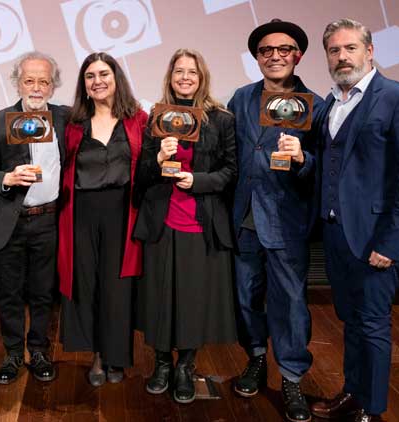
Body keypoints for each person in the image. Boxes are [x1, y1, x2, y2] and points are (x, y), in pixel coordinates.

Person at [310, 19, 399, 422]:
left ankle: (371, 411)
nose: (342, 57)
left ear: (370, 51)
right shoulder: (330, 104)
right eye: (334, 50)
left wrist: (392, 244)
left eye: (350, 48)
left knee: (374, 324)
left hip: (377, 239)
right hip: (337, 235)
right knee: (351, 322)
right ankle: (353, 393)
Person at [227, 19, 323, 422]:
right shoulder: (241, 98)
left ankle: (292, 377)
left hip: (286, 219)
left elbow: (326, 166)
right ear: (257, 57)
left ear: (297, 55)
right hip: (243, 214)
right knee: (245, 296)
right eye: (266, 51)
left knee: (290, 302)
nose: (275, 56)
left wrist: (303, 160)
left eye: (284, 50)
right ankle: (255, 358)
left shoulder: (316, 105)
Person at [133, 48, 238, 403]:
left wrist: (200, 181)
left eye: (191, 71)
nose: (185, 78)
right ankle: (162, 363)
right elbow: (143, 175)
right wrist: (158, 157)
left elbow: (230, 171)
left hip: (200, 221)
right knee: (160, 297)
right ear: (170, 76)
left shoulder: (221, 119)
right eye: (179, 71)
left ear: (201, 76)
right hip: (161, 221)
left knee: (193, 301)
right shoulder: (155, 118)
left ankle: (185, 367)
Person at [0, 51, 69, 384]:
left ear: (52, 86)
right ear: (18, 82)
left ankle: (40, 350)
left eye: (43, 81)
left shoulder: (65, 118)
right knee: (10, 293)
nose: (36, 87)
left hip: (48, 220)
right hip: (10, 219)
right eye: (29, 80)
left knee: (44, 291)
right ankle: (13, 354)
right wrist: (6, 178)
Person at [57, 52, 146, 386]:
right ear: (84, 84)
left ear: (116, 78)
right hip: (81, 211)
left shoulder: (139, 119)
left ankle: (116, 357)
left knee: (118, 287)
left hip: (124, 211)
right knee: (88, 282)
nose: (97, 81)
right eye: (90, 76)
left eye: (103, 74)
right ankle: (96, 355)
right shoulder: (73, 123)